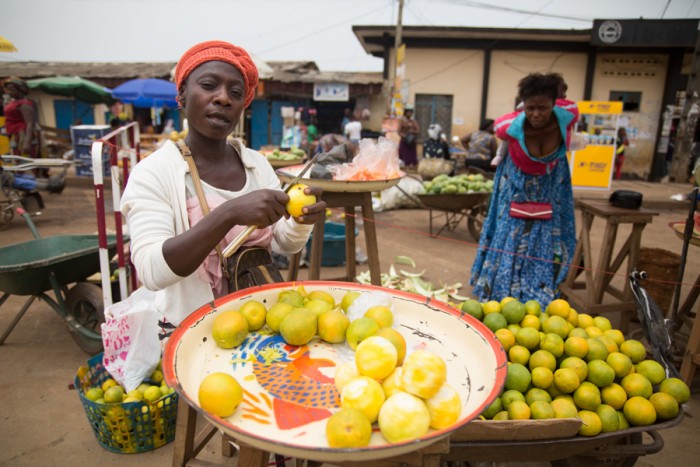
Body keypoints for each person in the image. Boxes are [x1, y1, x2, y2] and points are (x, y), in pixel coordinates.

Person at [120, 40, 327, 333]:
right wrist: (229, 213)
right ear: (182, 95)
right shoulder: (154, 172)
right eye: (208, 85)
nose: (223, 99)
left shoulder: (256, 164)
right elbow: (152, 272)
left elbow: (283, 243)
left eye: (236, 93)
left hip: (261, 323)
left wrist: (301, 220)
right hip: (191, 331)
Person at [470, 73, 579, 304]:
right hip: (514, 197)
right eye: (531, 108)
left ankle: (538, 290)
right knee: (509, 234)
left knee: (545, 240)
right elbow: (500, 129)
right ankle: (501, 291)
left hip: (549, 196)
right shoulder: (512, 128)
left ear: (554, 104)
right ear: (523, 106)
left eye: (543, 108)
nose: (536, 114)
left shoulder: (563, 121)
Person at [3, 77, 42, 169]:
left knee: (24, 162)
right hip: (14, 134)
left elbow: (30, 123)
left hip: (22, 136)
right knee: (16, 160)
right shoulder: (13, 103)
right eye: (8, 90)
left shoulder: (24, 104)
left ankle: (29, 181)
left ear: (20, 90)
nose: (9, 92)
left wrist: (27, 142)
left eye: (12, 90)